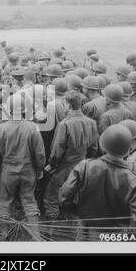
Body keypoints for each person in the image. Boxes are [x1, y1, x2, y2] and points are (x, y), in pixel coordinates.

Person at [59, 124, 136, 232]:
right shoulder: (135, 182)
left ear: (103, 145)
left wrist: (76, 212)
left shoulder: (84, 167)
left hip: (86, 232)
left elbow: (64, 196)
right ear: (128, 150)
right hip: (116, 238)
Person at [0, 94, 46, 239]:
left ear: (8, 110)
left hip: (7, 170)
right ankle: (36, 237)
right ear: (24, 110)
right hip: (28, 170)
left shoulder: (1, 128)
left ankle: (5, 234)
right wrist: (39, 169)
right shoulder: (33, 127)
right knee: (29, 201)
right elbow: (39, 153)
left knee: (5, 202)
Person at [43, 90, 98, 220]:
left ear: (67, 105)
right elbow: (94, 147)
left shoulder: (64, 124)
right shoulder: (91, 122)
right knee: (74, 194)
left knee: (51, 197)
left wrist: (52, 165)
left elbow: (57, 150)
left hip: (65, 166)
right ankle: (69, 220)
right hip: (82, 164)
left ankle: (52, 227)